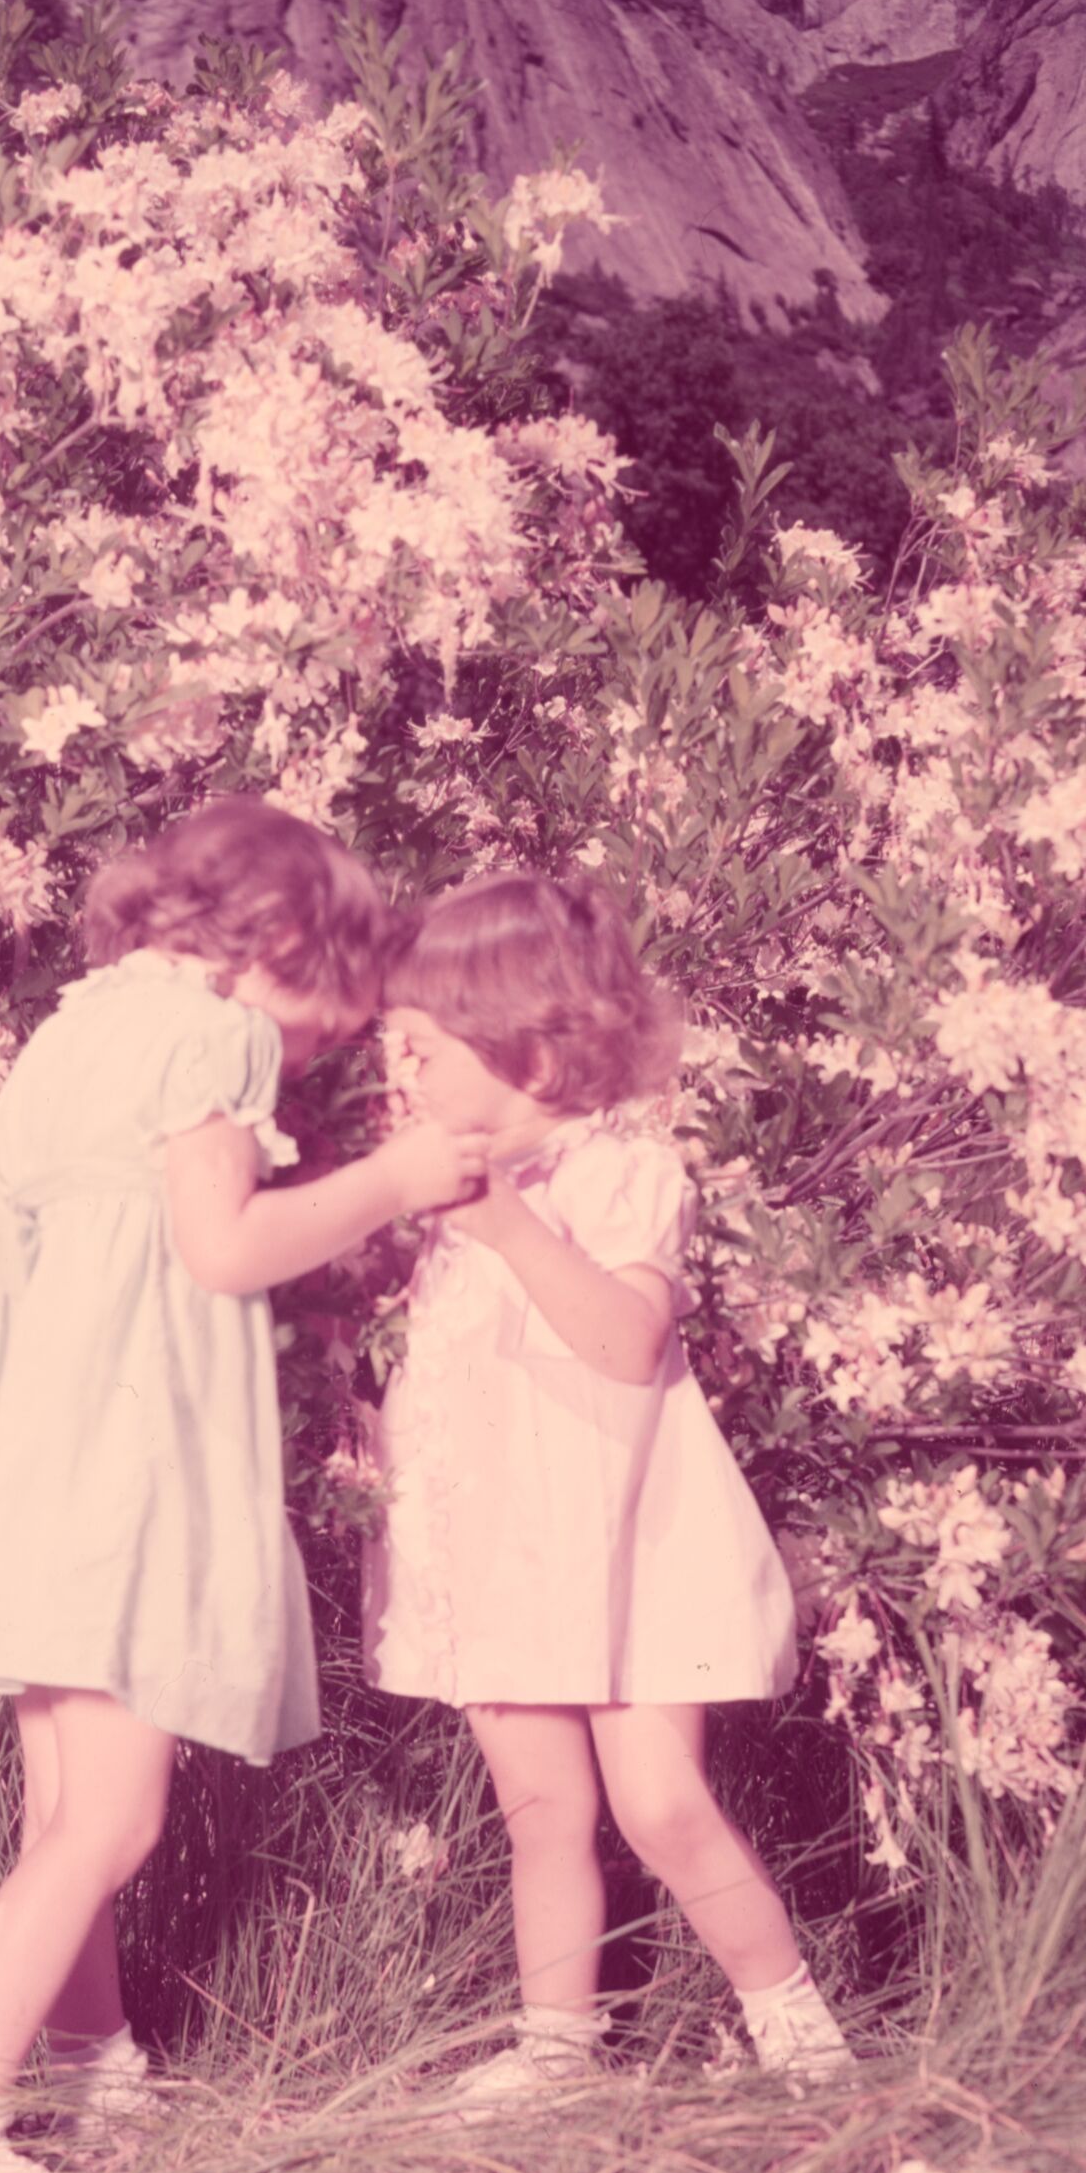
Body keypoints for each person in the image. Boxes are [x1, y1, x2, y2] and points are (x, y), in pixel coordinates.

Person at [0, 798, 493, 2173]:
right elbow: (222, 1248)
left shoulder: (79, 1024)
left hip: (28, 1440)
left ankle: (92, 2061)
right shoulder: (216, 1033)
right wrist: (388, 1182)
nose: (331, 1041)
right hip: (117, 1452)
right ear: (271, 944)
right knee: (115, 1820)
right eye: (337, 997)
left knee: (60, 1802)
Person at [365, 869, 854, 2106]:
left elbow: (626, 1345)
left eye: (420, 1050)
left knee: (659, 1804)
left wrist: (507, 1228)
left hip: (619, 1545)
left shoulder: (619, 1174)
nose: (400, 1076)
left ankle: (800, 2037)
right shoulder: (438, 1197)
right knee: (538, 1807)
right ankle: (557, 2054)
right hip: (500, 1541)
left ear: (525, 1049)